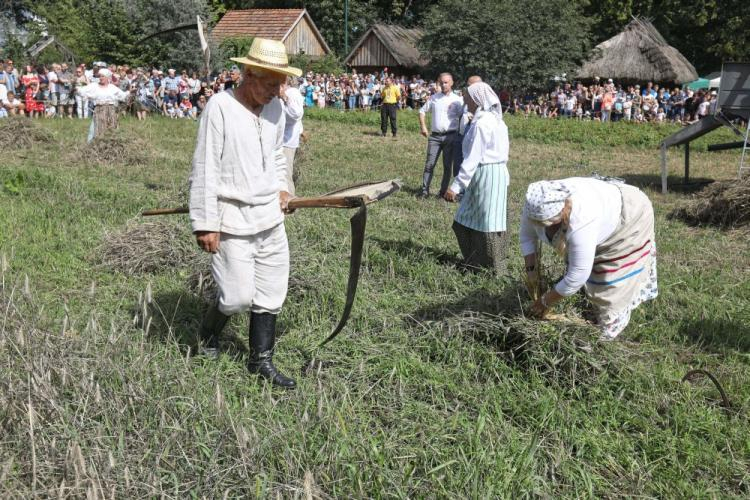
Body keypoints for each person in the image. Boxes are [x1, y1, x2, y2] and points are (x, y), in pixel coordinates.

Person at [189, 37, 300, 389]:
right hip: (232, 219)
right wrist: (206, 222)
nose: (277, 90)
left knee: (271, 291)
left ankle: (260, 361)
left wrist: (284, 187)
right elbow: (204, 166)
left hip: (270, 217)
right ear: (247, 74)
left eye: (281, 82)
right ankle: (208, 335)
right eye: (270, 83)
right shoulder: (220, 108)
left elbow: (278, 155)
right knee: (236, 296)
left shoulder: (276, 109)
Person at [520, 177, 658, 340]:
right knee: (588, 269)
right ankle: (590, 311)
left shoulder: (581, 219)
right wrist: (532, 275)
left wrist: (544, 302)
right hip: (602, 210)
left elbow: (576, 277)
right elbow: (527, 237)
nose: (541, 227)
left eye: (547, 224)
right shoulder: (535, 206)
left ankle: (605, 335)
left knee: (610, 285)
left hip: (629, 217)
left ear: (563, 211)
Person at [444, 82, 510, 273]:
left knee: (486, 224)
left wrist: (456, 186)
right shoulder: (495, 120)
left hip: (485, 174)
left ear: (476, 99)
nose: (464, 99)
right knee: (481, 221)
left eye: (467, 96)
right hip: (494, 174)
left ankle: (490, 268)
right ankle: (478, 263)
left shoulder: (483, 123)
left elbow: (473, 157)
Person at [416, 73, 464, 198]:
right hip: (435, 137)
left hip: (451, 137)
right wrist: (423, 126)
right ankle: (424, 191)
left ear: (452, 83)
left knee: (447, 166)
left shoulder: (458, 100)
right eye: (441, 82)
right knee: (429, 165)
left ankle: (442, 193)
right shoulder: (434, 98)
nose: (443, 85)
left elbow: (463, 117)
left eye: (446, 82)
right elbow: (421, 111)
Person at [76, 68, 130, 142]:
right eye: (100, 76)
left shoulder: (112, 87)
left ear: (107, 78)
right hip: (99, 111)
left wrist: (130, 92)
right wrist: (75, 88)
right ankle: (91, 147)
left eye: (102, 76)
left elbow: (122, 95)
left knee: (112, 130)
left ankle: (113, 146)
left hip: (110, 111)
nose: (100, 78)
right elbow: (82, 91)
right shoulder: (94, 86)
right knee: (94, 130)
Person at [280, 76, 304, 196]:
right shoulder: (292, 92)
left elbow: (296, 114)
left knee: (284, 173)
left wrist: (285, 98)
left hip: (286, 140)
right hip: (285, 139)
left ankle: (290, 202)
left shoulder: (291, 93)